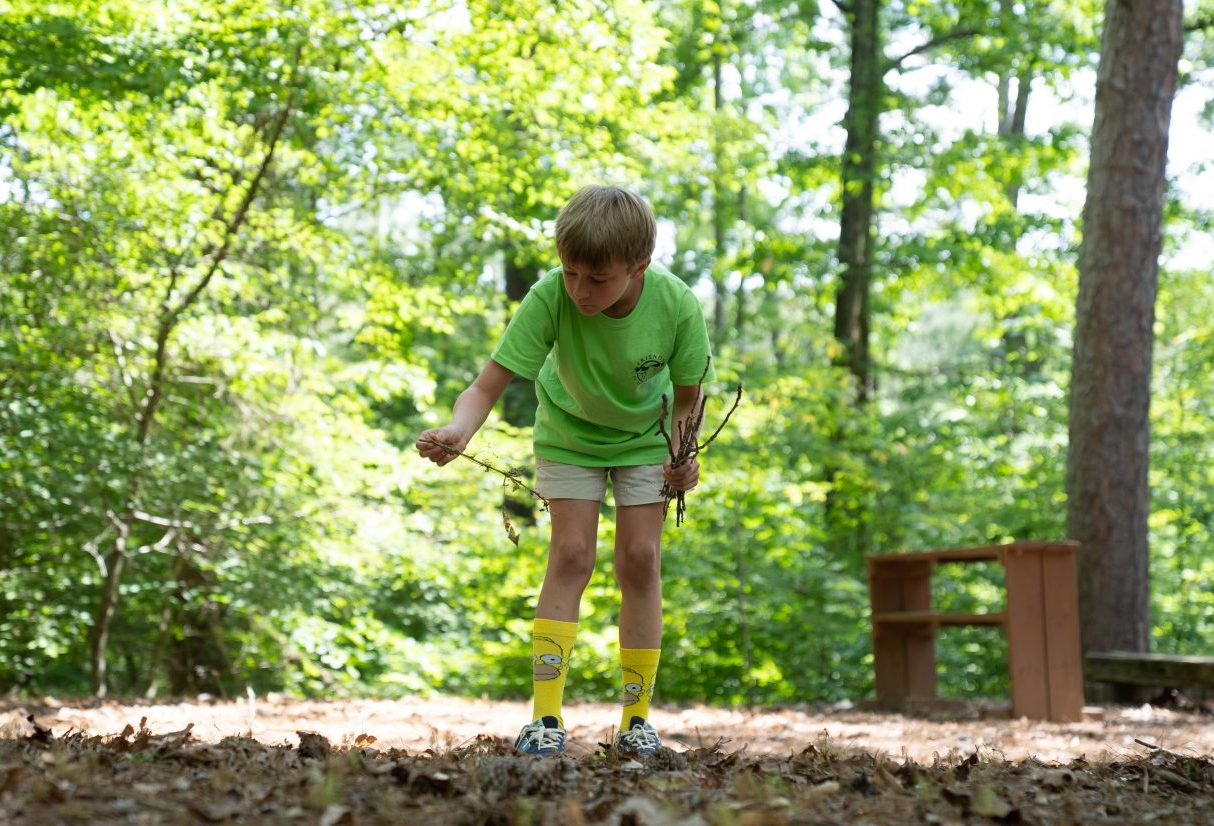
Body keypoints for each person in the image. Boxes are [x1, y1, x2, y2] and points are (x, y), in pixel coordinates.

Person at [415, 185, 714, 757]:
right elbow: (486, 386)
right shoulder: (551, 295)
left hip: (646, 439)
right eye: (571, 272)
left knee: (641, 559)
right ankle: (546, 718)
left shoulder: (676, 304)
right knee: (572, 554)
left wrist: (682, 456)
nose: (580, 290)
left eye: (597, 279)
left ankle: (637, 721)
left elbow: (687, 399)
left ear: (638, 266)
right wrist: (459, 431)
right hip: (570, 435)